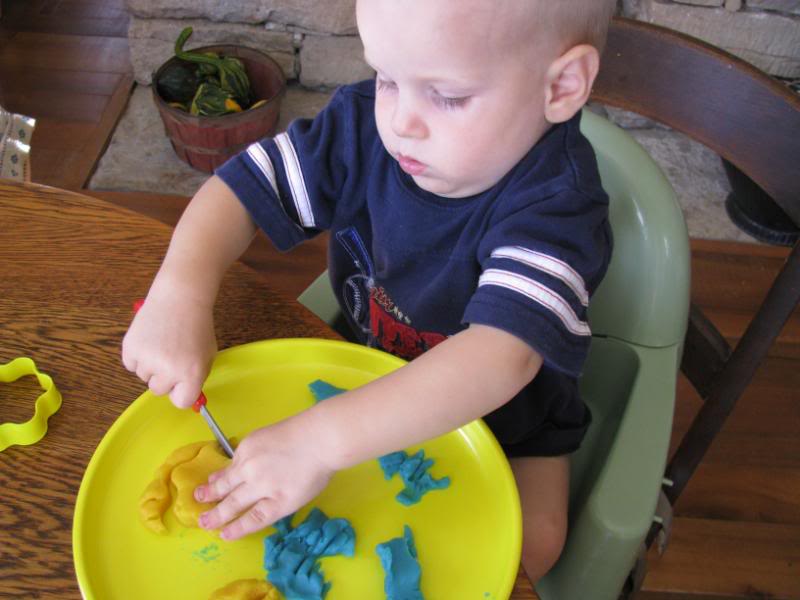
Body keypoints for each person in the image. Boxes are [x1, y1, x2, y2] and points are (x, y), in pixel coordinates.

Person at [122, 0, 616, 585]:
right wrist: (179, 293)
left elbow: (502, 358)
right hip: (361, 376)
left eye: (448, 96)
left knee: (531, 545)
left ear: (562, 85)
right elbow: (242, 188)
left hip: (512, 425)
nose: (401, 121)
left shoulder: (558, 204)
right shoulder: (361, 128)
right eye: (386, 77)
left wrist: (319, 442)